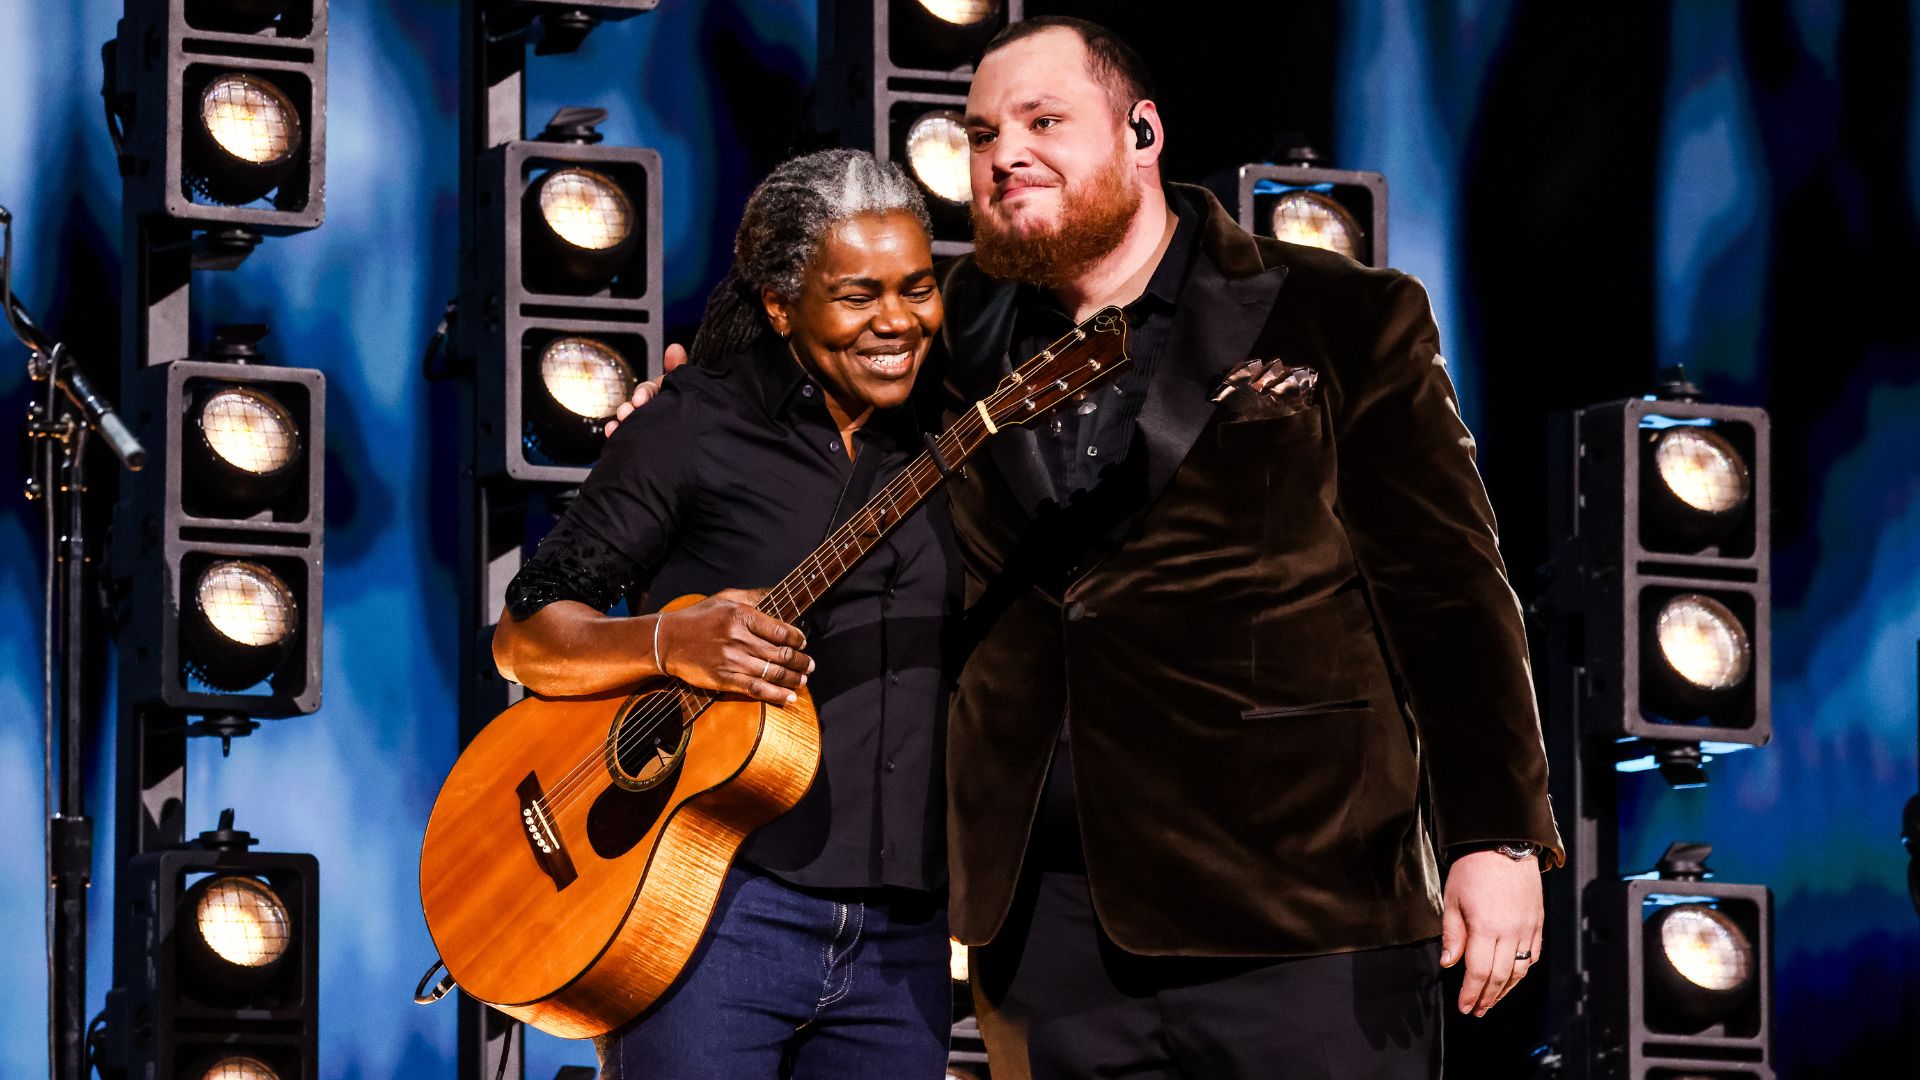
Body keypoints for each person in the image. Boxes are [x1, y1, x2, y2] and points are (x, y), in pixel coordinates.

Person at [930, 17, 1565, 1079]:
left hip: (1303, 915)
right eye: (984, 133)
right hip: (1050, 934)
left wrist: (1495, 836)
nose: (1007, 155)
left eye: (1045, 121)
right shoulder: (959, 337)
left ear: (1142, 132)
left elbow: (1449, 588)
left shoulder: (1342, 315)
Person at [492, 149, 958, 1079]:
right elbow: (526, 632)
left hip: (908, 938)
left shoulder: (960, 433)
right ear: (783, 304)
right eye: (858, 296)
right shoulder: (694, 423)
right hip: (711, 908)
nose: (897, 320)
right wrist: (669, 638)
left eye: (918, 287)